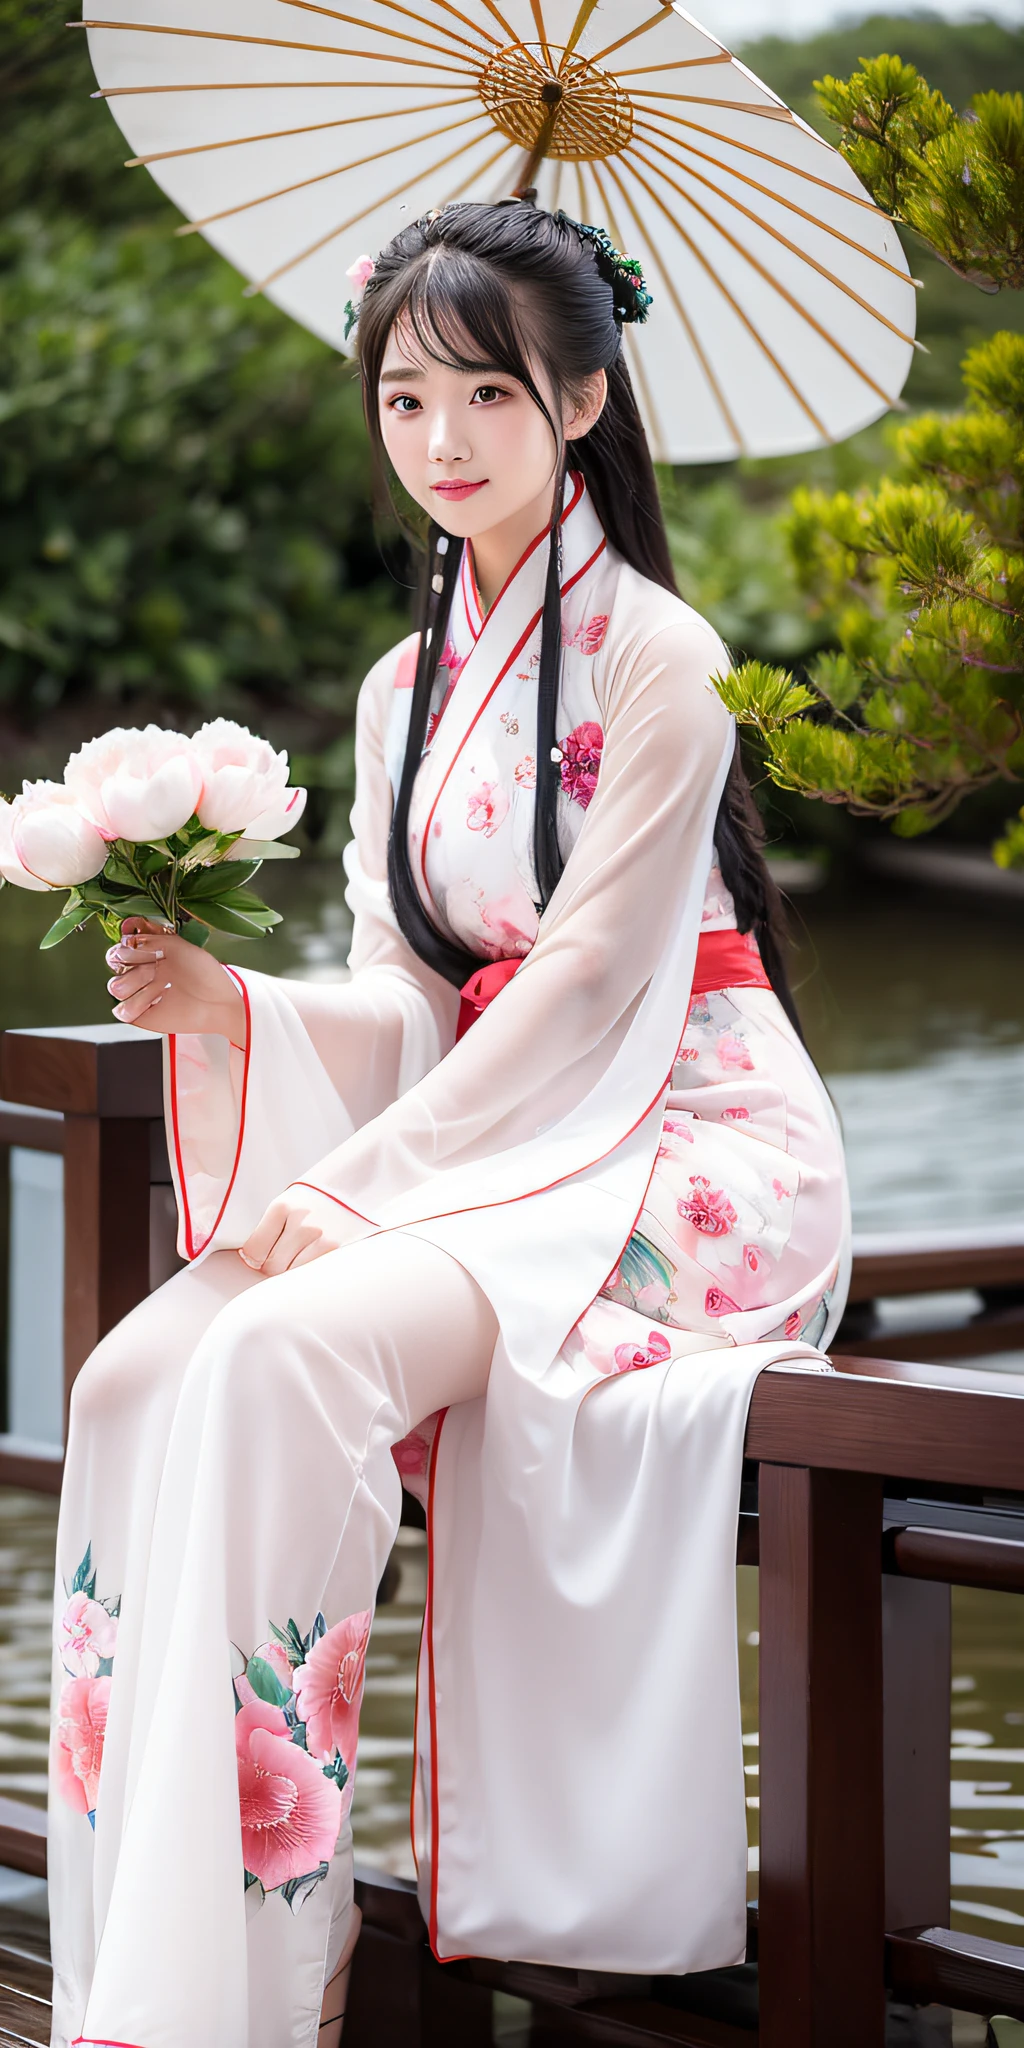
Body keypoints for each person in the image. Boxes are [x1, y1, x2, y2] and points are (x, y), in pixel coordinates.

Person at [48, 201, 848, 2048]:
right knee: (130, 1383)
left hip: (686, 1139)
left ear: (580, 399)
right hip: (485, 1135)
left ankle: (278, 1951)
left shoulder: (669, 661)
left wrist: (350, 1183)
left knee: (283, 1359)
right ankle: (172, 1945)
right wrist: (230, 1008)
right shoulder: (402, 687)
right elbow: (404, 989)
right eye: (408, 397)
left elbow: (580, 985)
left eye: (490, 390)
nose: (445, 440)